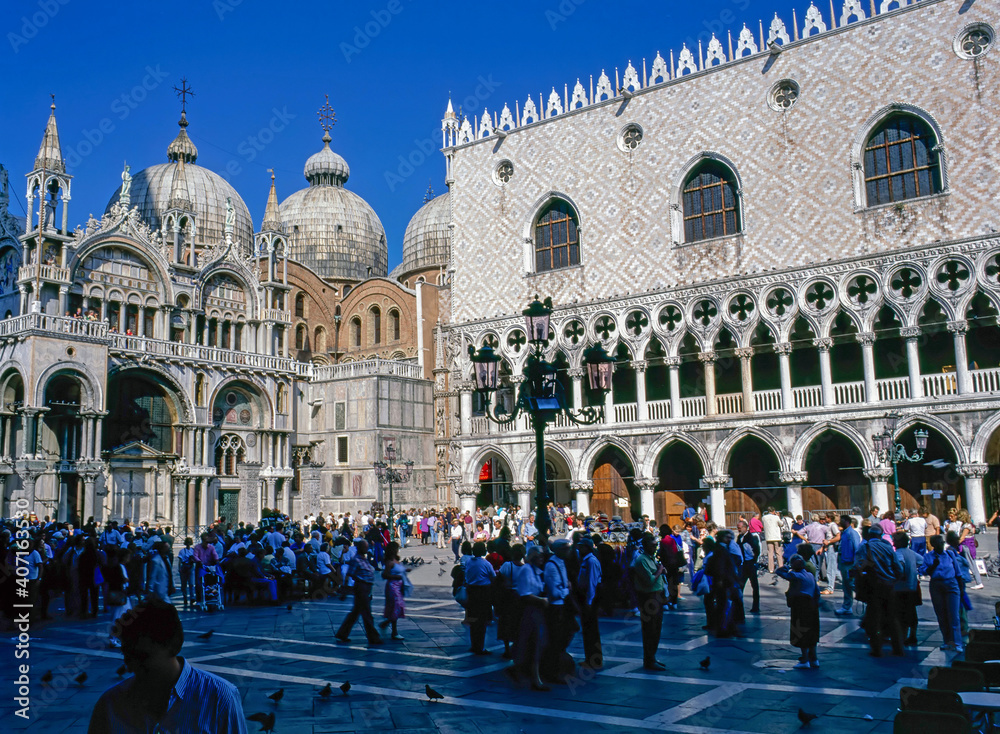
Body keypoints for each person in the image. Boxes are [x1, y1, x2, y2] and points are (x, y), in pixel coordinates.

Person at [87, 598, 247, 733]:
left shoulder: (220, 698)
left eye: (142, 657)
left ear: (173, 646)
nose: (130, 668)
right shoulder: (110, 705)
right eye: (127, 657)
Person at [853, 525, 903, 657]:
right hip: (889, 585)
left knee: (875, 618)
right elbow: (898, 568)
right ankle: (898, 647)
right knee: (892, 617)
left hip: (874, 586)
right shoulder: (888, 547)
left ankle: (877, 648)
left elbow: (858, 565)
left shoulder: (865, 547)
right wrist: (893, 580)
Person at [507, 546, 549, 691]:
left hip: (537, 610)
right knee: (531, 642)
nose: (542, 558)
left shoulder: (536, 571)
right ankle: (533, 677)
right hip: (530, 610)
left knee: (534, 643)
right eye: (539, 556)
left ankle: (530, 674)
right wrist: (542, 600)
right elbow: (525, 594)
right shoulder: (527, 570)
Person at [919, 534, 963, 652]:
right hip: (936, 585)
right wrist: (934, 565)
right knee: (941, 614)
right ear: (933, 545)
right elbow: (923, 571)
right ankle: (947, 640)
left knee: (953, 615)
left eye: (942, 543)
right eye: (938, 544)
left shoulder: (950, 554)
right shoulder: (928, 557)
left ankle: (957, 642)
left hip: (951, 584)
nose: (940, 546)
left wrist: (961, 588)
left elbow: (957, 572)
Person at [335, 539, 383, 646]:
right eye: (365, 547)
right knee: (366, 614)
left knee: (355, 613)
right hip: (361, 588)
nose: (367, 548)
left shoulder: (363, 559)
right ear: (360, 548)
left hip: (365, 588)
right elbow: (349, 574)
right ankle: (373, 637)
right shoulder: (356, 560)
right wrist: (345, 590)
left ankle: (342, 634)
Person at [776, 554, 820, 669]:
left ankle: (804, 659)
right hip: (812, 607)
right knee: (812, 633)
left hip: (800, 607)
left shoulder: (794, 575)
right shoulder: (810, 575)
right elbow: (817, 592)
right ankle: (814, 658)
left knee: (801, 632)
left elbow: (779, 572)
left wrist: (786, 566)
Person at [631, 534, 666, 670]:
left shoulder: (652, 559)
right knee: (650, 629)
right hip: (649, 597)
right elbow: (650, 580)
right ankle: (649, 659)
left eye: (656, 544)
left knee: (656, 628)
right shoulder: (642, 560)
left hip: (657, 595)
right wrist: (659, 571)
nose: (655, 547)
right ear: (645, 546)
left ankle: (653, 657)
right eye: (652, 545)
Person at [465, 541, 496, 655]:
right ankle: (481, 646)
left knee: (473, 620)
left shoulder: (469, 562)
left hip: (471, 591)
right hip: (483, 592)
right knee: (482, 621)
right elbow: (493, 577)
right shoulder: (485, 563)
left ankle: (474, 644)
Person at [891, 531, 922, 646]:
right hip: (912, 586)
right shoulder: (911, 553)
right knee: (912, 612)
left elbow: (900, 564)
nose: (893, 543)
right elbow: (922, 561)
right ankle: (913, 635)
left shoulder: (898, 553)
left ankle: (902, 636)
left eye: (894, 541)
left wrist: (900, 575)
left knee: (900, 613)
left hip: (900, 588)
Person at [577, 537, 602, 670]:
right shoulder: (586, 560)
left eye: (581, 547)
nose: (579, 549)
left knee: (591, 630)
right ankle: (589, 658)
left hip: (590, 598)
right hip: (587, 597)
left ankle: (594, 659)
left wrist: (589, 601)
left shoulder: (591, 561)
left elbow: (592, 582)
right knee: (588, 630)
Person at [497, 544, 526, 659]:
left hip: (507, 596)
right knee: (518, 622)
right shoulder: (524, 567)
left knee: (505, 622)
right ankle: (517, 646)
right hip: (519, 597)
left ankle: (507, 649)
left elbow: (499, 579)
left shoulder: (507, 565)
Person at [379, 544, 410, 640]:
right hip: (393, 587)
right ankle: (393, 630)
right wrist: (396, 577)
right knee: (396, 606)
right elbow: (384, 575)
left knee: (397, 607)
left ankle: (388, 624)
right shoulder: (389, 562)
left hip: (399, 586)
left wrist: (405, 570)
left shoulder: (396, 560)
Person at [834, 515, 861, 616]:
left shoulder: (852, 534)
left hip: (850, 563)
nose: (840, 523)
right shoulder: (844, 533)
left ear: (847, 521)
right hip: (844, 562)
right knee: (846, 586)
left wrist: (855, 563)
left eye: (842, 521)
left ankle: (866, 601)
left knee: (852, 584)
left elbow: (857, 549)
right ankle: (847, 606)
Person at [736, 519, 760, 614]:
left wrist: (754, 561)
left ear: (745, 528)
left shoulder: (751, 537)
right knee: (741, 584)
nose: (738, 530)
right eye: (738, 528)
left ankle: (755, 606)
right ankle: (738, 605)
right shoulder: (739, 537)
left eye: (740, 528)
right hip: (743, 564)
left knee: (754, 585)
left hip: (750, 563)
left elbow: (756, 550)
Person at [762, 507, 784, 574]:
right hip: (776, 537)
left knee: (770, 553)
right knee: (778, 553)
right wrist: (778, 516)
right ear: (774, 511)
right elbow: (781, 524)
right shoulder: (776, 517)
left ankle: (771, 569)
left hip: (769, 537)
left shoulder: (764, 517)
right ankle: (780, 567)